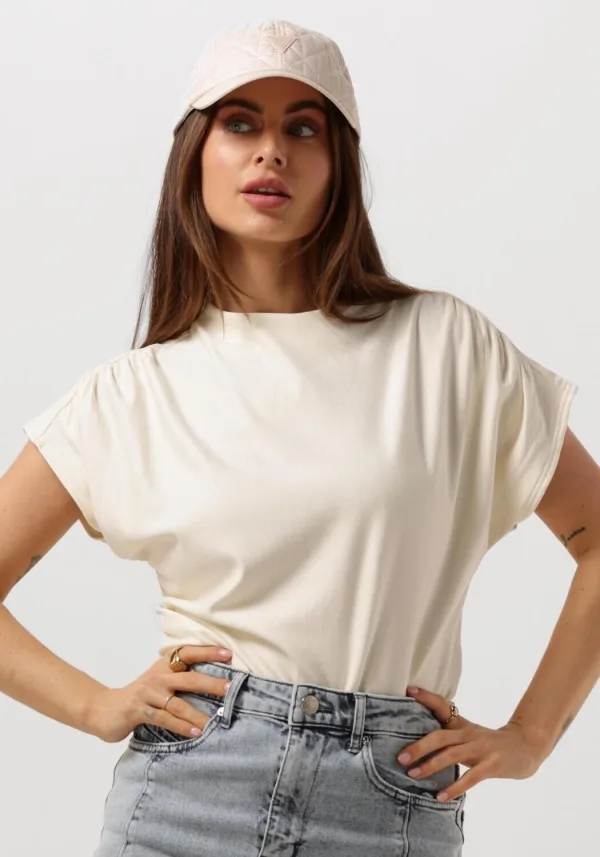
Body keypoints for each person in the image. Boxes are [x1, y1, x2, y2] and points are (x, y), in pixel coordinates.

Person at [1, 17, 599, 857]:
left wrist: (533, 735)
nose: (271, 152)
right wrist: (96, 705)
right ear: (195, 154)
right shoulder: (131, 396)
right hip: (189, 795)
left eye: (303, 128)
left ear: (338, 164)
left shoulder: (446, 348)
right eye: (240, 122)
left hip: (391, 797)